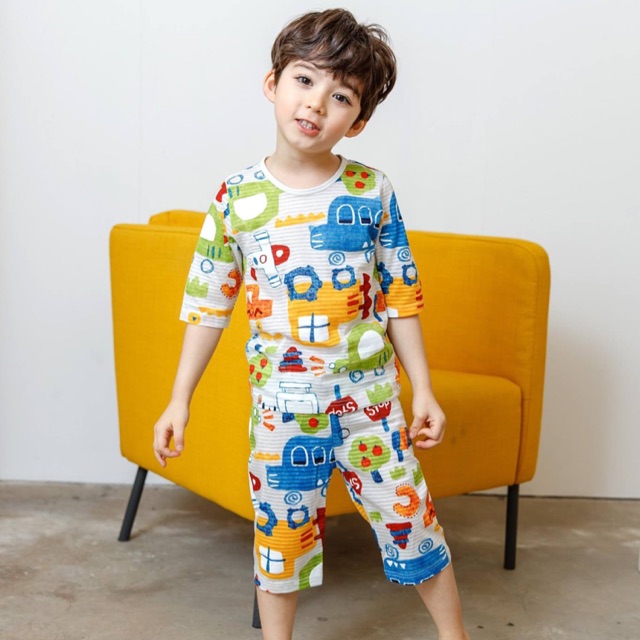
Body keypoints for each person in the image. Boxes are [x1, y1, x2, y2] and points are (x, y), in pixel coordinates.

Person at [153, 8, 470, 640]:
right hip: (282, 413)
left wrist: (425, 389)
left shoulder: (372, 191)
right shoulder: (236, 198)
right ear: (272, 84)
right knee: (281, 545)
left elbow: (401, 296)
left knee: (414, 525)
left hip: (372, 406)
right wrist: (178, 399)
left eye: (341, 96)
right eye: (304, 80)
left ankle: (455, 636)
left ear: (360, 119)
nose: (316, 104)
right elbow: (208, 304)